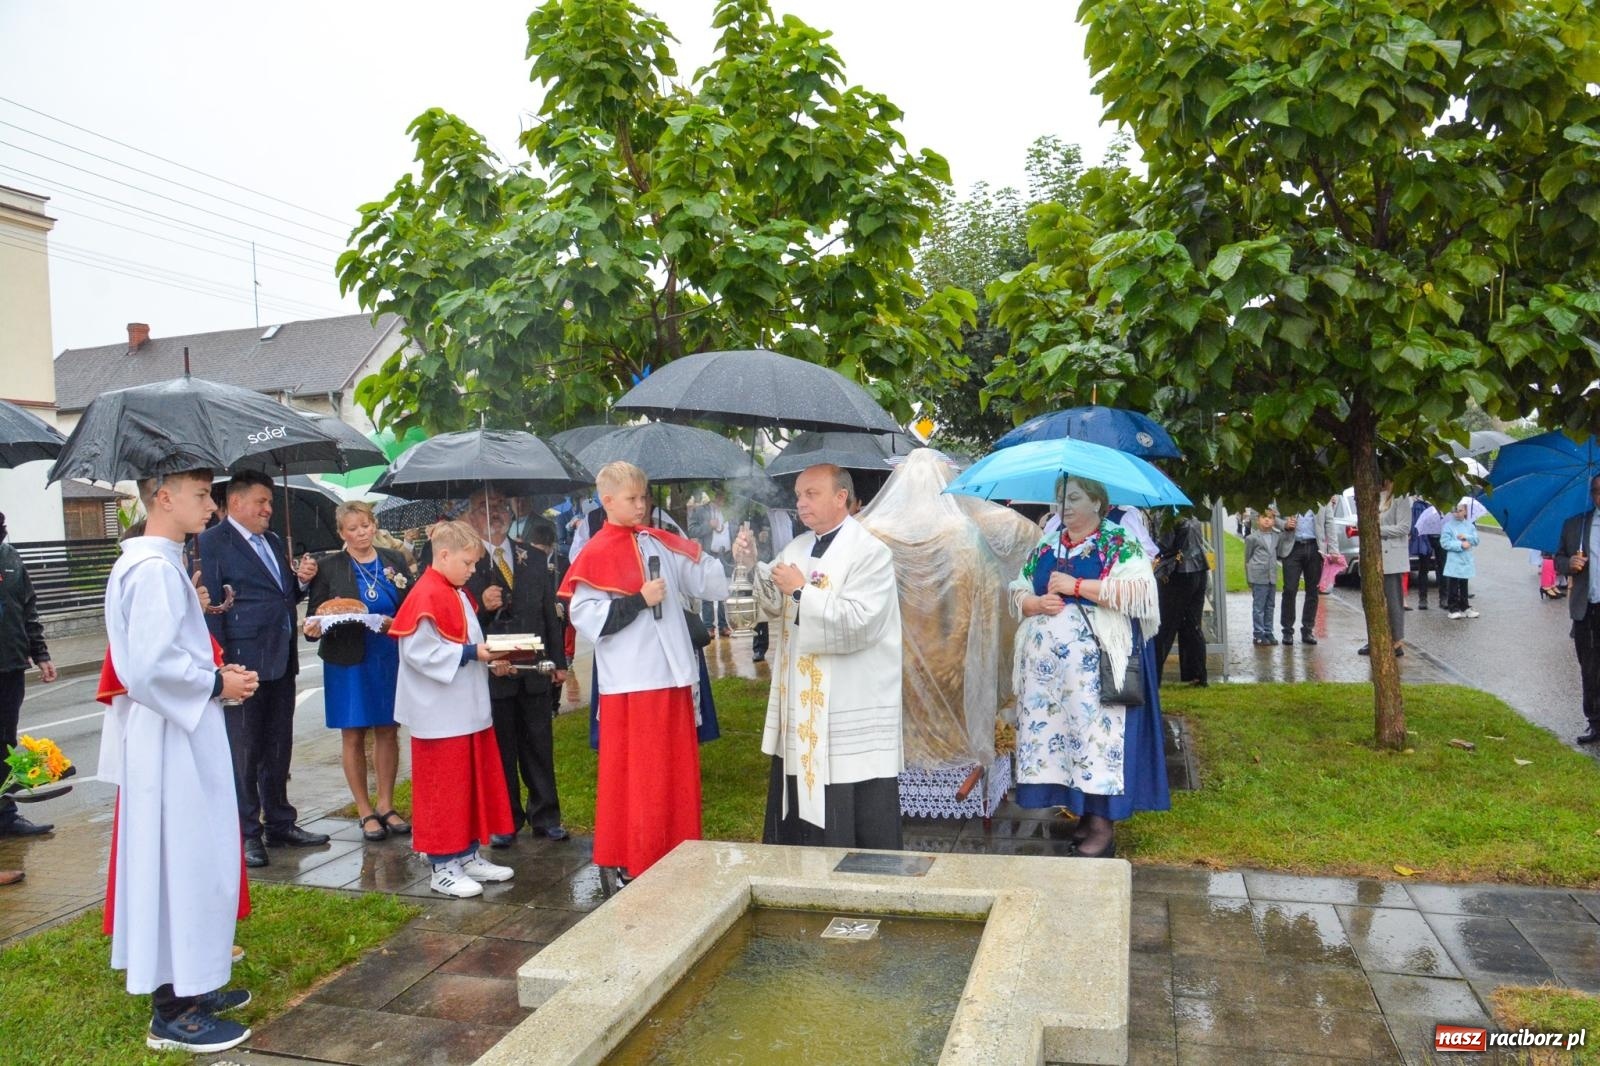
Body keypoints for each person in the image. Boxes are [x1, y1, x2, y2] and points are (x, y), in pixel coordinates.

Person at [104, 469, 257, 1053]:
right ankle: (172, 1011)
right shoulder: (151, 570)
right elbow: (147, 670)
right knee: (179, 859)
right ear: (163, 499)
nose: (212, 507)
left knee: (196, 856)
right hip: (170, 738)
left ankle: (192, 984)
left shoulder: (161, 563)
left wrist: (213, 680)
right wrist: (217, 682)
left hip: (179, 730)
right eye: (201, 496)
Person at [560, 462, 730, 880]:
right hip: (634, 681)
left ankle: (678, 853)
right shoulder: (595, 552)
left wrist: (728, 555)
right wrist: (637, 599)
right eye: (632, 499)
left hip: (673, 675)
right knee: (641, 779)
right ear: (608, 501)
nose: (642, 506)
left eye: (644, 498)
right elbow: (586, 617)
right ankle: (637, 860)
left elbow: (705, 582)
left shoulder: (656, 541)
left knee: (675, 774)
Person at [730, 463, 905, 850]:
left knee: (848, 805)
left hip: (848, 698)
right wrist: (752, 565)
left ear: (841, 497)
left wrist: (801, 593)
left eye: (811, 494)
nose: (800, 503)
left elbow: (860, 623)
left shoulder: (869, 553)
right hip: (806, 702)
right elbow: (775, 605)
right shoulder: (798, 546)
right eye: (798, 495)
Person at [1005, 475, 1168, 858]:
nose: (1065, 506)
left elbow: (1141, 592)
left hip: (1096, 673)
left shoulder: (1118, 542)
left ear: (1097, 502)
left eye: (1074, 498)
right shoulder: (1049, 542)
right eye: (1060, 498)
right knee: (1063, 741)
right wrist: (1033, 604)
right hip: (1051, 683)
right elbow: (1018, 586)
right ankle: (1080, 813)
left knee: (1096, 743)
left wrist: (1078, 586)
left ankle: (1101, 825)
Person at [196, 470, 329, 867]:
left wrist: (300, 582)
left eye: (270, 502)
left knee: (277, 744)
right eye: (261, 502)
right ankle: (246, 832)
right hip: (241, 663)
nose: (268, 509)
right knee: (245, 750)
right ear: (236, 503)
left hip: (280, 657)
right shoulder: (211, 543)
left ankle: (280, 821)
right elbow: (212, 610)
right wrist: (220, 664)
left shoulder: (271, 540)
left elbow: (281, 592)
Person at [391, 520, 517, 898]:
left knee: (468, 784)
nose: (473, 570)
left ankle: (466, 854)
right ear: (443, 555)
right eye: (468, 562)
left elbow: (466, 637)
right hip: (440, 714)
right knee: (443, 790)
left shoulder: (455, 590)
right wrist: (471, 654)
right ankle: (441, 865)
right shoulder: (426, 593)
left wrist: (486, 658)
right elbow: (418, 652)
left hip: (464, 708)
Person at [461, 489, 570, 846]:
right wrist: (483, 607)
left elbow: (550, 613)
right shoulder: (466, 562)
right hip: (494, 671)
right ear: (471, 516)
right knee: (502, 748)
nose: (495, 514)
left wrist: (560, 661)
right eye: (484, 508)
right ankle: (505, 820)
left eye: (501, 507)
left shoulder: (533, 558)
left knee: (539, 743)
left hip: (536, 668)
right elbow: (458, 621)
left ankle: (546, 815)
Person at [303, 501, 413, 842]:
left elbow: (411, 604)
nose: (361, 533)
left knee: (387, 729)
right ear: (342, 533)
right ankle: (365, 810)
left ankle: (386, 804)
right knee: (352, 733)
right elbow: (313, 616)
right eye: (352, 529)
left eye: (365, 526)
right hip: (347, 659)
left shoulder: (393, 561)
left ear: (373, 524)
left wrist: (400, 622)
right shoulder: (329, 566)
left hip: (387, 654)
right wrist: (314, 627)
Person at [0, 511, 58, 838]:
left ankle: (5, 816)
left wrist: (41, 653)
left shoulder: (10, 557)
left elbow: (27, 607)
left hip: (10, 666)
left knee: (5, 744)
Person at [1555, 474, 1600, 744]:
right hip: (1588, 609)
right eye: (1597, 491)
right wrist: (1568, 563)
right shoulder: (1576, 525)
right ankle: (1595, 723)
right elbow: (1557, 558)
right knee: (1590, 668)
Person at [1153, 510, 1210, 685]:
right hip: (1198, 570)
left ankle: (1153, 676)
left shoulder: (1166, 514)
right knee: (1192, 624)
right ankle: (1197, 674)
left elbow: (1164, 544)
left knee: (1165, 626)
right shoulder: (1189, 511)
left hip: (1178, 573)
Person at [1359, 479, 1413, 657]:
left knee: (1393, 600)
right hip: (1373, 554)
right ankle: (1376, 638)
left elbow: (1404, 527)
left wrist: (1377, 529)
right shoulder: (1372, 497)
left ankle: (1396, 640)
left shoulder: (1401, 498)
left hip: (1392, 556)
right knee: (1373, 599)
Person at [689, 490, 734, 637]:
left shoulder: (729, 511)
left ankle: (723, 625)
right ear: (714, 497)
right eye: (720, 496)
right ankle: (708, 626)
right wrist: (709, 525)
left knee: (724, 591)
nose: (722, 499)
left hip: (726, 555)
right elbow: (692, 530)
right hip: (710, 554)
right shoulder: (701, 511)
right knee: (708, 589)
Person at [1279, 506, 1323, 645]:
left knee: (1313, 591)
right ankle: (1287, 630)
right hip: (1293, 548)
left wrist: (1333, 550)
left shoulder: (1321, 499)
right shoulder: (1287, 495)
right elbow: (1273, 517)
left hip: (1315, 547)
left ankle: (1308, 629)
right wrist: (1284, 524)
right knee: (1290, 589)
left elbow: (1329, 523)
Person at [1244, 510, 1289, 646]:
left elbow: (1279, 552)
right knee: (1259, 607)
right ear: (1258, 520)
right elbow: (1247, 558)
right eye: (1264, 517)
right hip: (1258, 576)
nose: (1267, 520)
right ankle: (1258, 633)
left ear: (1274, 520)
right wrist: (1249, 577)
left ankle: (1269, 631)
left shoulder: (1277, 536)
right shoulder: (1252, 538)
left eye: (1270, 518)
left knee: (1270, 606)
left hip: (1271, 576)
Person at [1439, 503, 1480, 620]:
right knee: (1453, 583)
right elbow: (1445, 543)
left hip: (1466, 559)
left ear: (1465, 512)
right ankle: (1453, 608)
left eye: (1460, 511)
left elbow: (1476, 540)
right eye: (1455, 511)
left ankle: (1465, 606)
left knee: (1464, 583)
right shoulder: (1448, 526)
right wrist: (1460, 545)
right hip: (1454, 559)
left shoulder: (1470, 526)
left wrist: (1466, 537)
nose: (1457, 513)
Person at [1412, 500, 1445, 610]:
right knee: (1424, 568)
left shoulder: (1443, 502)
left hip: (1441, 537)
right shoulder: (1420, 504)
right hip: (1424, 537)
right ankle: (1422, 598)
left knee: (1442, 567)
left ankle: (1444, 597)